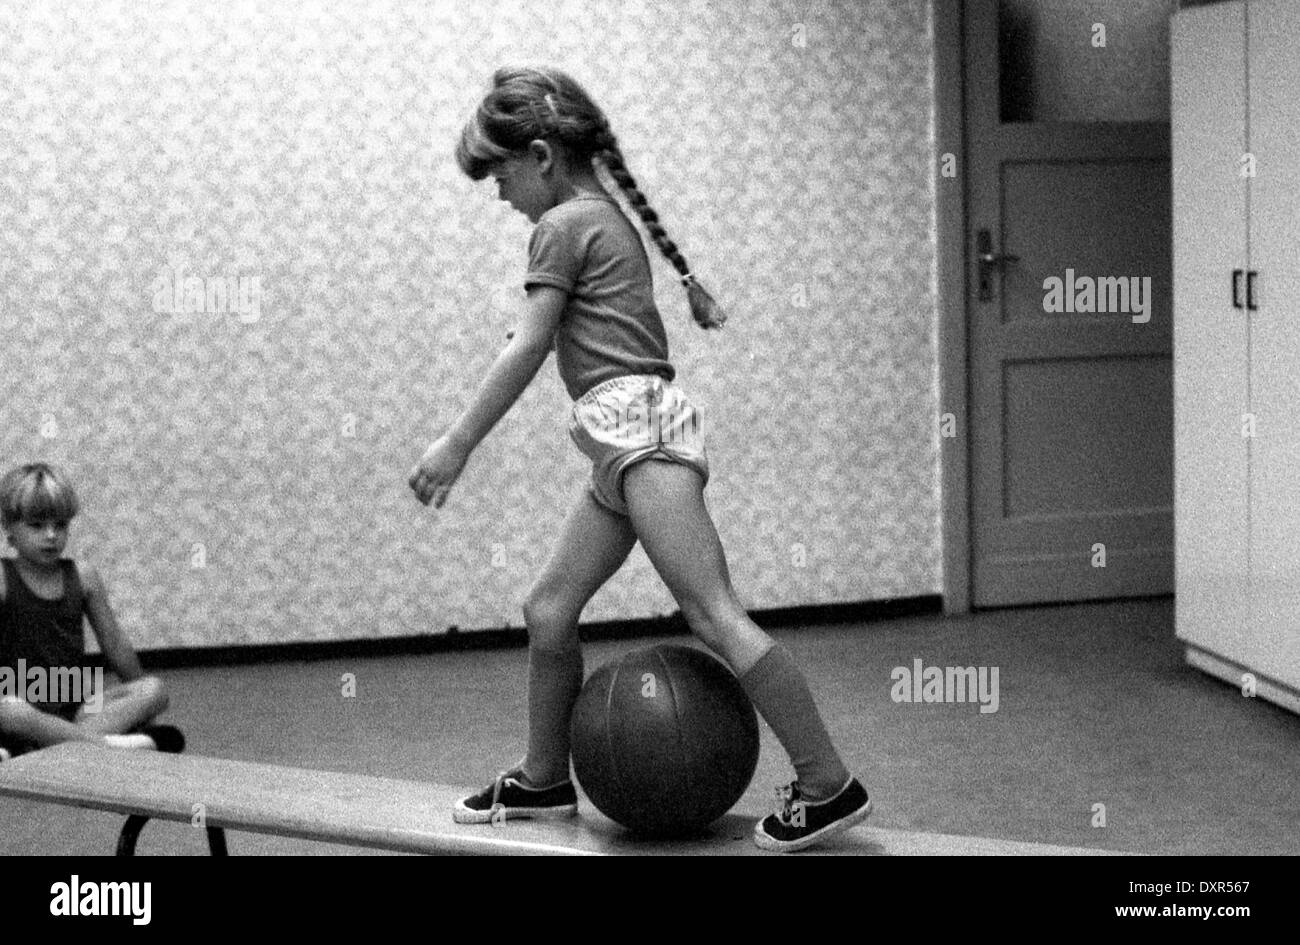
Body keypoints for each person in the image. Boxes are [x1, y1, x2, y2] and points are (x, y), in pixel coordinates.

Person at [410, 66, 870, 852]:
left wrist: (455, 444)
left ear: (544, 155)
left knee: (712, 611)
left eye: (501, 174)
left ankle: (828, 782)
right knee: (549, 608)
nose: (498, 194)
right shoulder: (603, 217)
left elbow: (526, 346)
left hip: (642, 438)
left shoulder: (561, 225)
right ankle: (545, 777)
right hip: (619, 444)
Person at [0, 463, 183, 760]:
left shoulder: (83, 576)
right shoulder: (3, 577)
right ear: (9, 528)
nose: (50, 536)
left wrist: (144, 709)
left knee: (154, 689)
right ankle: (106, 746)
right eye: (36, 526)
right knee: (8, 709)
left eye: (60, 526)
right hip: (19, 700)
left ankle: (42, 747)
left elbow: (115, 645)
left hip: (76, 705)